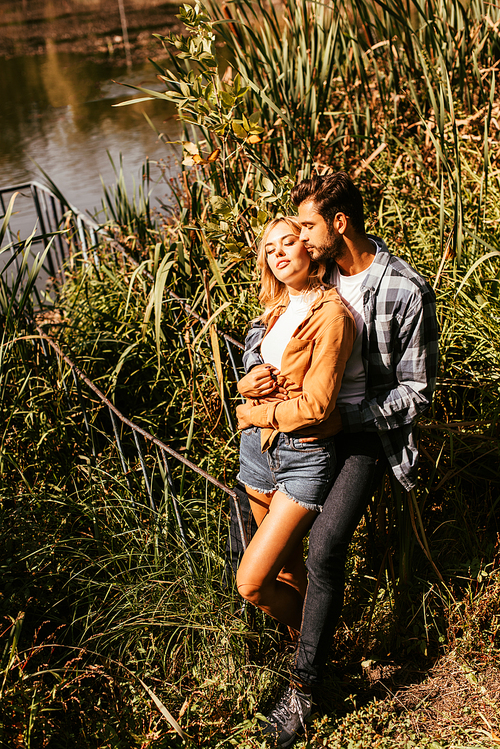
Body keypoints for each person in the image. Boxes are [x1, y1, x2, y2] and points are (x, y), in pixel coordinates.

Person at [238, 172, 439, 747]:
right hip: (296, 429)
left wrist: (335, 419)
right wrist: (257, 372)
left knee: (324, 549)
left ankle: (304, 690)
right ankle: (321, 645)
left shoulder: (402, 288)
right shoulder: (318, 272)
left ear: (338, 224)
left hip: (362, 435)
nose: (297, 238)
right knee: (285, 561)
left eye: (306, 225)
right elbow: (272, 319)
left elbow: (416, 393)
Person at [235, 216, 356, 644]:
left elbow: (319, 406)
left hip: (303, 455)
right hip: (258, 453)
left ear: (310, 250)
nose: (279, 253)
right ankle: (310, 655)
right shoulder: (275, 310)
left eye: (289, 242)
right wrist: (244, 386)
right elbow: (259, 376)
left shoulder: (333, 316)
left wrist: (254, 414)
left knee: (250, 583)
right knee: (285, 568)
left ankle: (320, 645)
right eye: (270, 249)